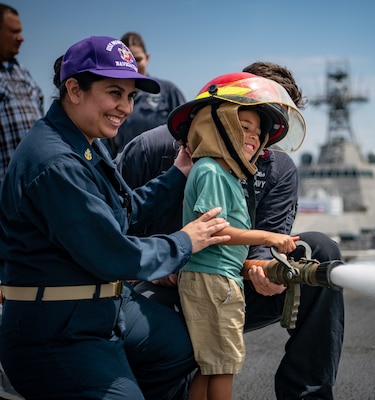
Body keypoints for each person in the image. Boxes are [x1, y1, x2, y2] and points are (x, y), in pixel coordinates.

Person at [0, 35, 232, 399]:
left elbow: (121, 213)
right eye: (114, 93)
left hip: (100, 308)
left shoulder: (82, 141)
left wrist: (177, 175)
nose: (125, 107)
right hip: (57, 329)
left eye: (130, 96)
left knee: (183, 349)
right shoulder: (56, 162)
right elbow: (116, 255)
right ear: (74, 89)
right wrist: (188, 240)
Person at [119, 62, 345, 400]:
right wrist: (158, 263)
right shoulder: (152, 148)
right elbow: (111, 226)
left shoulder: (280, 169)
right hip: (155, 288)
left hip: (227, 285)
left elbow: (260, 252)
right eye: (250, 120)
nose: (258, 138)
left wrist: (263, 269)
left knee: (320, 253)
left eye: (269, 126)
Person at [173, 72, 302, 399]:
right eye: (244, 126)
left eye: (259, 132)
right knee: (224, 364)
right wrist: (269, 239)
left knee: (211, 364)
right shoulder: (213, 171)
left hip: (217, 278)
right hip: (212, 279)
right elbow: (214, 231)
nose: (254, 137)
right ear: (218, 126)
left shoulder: (226, 174)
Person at [100, 31, 185, 158]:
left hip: (167, 170)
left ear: (147, 58)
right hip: (125, 173)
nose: (134, 65)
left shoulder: (168, 91)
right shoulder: (107, 98)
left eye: (138, 59)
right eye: (117, 93)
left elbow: (187, 129)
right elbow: (106, 144)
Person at [0, 3, 44, 183]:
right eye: (14, 32)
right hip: (5, 191)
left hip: (36, 185)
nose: (21, 38)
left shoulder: (23, 73)